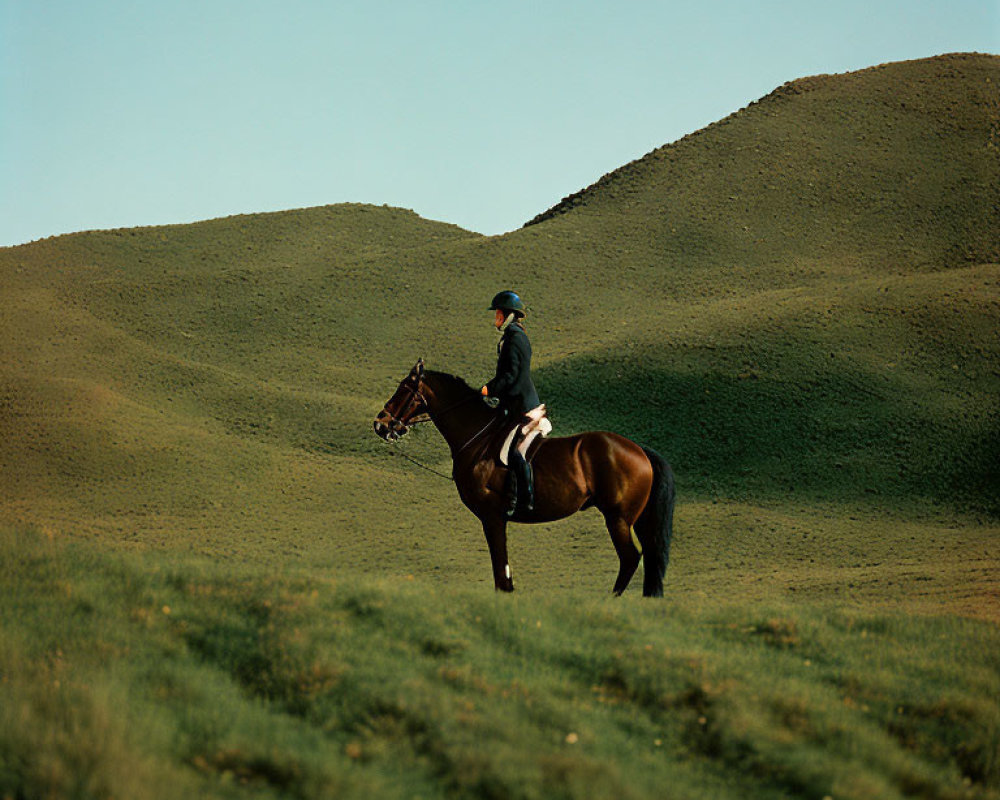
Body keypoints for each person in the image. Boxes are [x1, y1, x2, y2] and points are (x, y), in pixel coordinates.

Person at [480, 290, 548, 517]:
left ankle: (525, 499)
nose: (496, 318)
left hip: (524, 407)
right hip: (513, 404)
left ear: (510, 315)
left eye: (499, 314)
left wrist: (490, 388)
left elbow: (512, 375)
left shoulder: (516, 338)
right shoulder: (510, 336)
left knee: (516, 451)